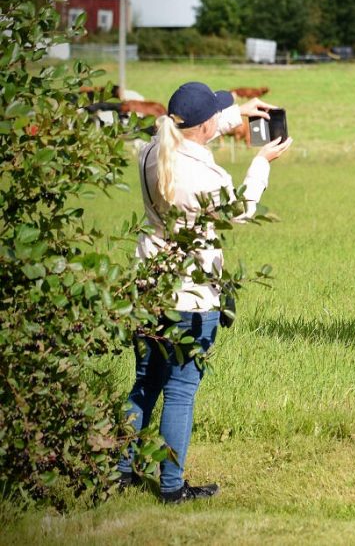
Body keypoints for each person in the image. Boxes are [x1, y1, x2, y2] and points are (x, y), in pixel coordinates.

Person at [118, 81, 292, 502]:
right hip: (192, 294)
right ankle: (173, 487)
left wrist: (241, 112)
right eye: (216, 113)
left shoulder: (153, 151)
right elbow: (242, 209)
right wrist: (261, 162)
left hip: (149, 285)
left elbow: (195, 131)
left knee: (145, 382)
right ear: (203, 124)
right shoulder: (205, 174)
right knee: (181, 390)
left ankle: (119, 470)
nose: (220, 116)